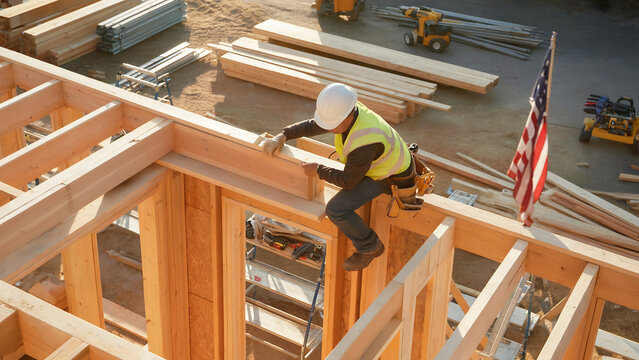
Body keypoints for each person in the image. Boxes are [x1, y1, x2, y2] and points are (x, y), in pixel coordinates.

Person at [261, 83, 416, 271]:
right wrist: (284, 135)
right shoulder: (350, 113)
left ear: (348, 116)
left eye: (332, 125)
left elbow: (348, 182)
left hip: (391, 176)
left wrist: (319, 170)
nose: (328, 128)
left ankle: (370, 246)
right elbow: (314, 125)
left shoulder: (365, 141)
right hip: (383, 162)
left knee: (336, 209)